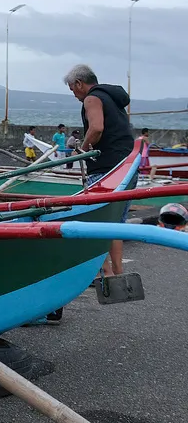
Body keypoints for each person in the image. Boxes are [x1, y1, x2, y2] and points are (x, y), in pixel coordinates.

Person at [63, 63, 136, 276]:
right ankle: (118, 274)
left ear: (79, 83)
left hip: (105, 168)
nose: (74, 95)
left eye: (73, 89)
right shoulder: (113, 97)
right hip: (126, 165)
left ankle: (104, 272)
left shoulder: (92, 98)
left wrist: (81, 151)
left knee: (97, 221)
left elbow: (96, 127)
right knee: (115, 224)